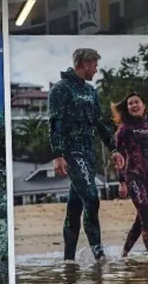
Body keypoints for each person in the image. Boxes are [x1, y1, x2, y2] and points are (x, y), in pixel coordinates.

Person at [48, 48, 123, 262]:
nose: (96, 69)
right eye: (94, 65)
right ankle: (99, 253)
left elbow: (99, 123)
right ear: (85, 63)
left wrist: (114, 149)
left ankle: (68, 261)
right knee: (91, 197)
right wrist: (58, 154)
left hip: (89, 154)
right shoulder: (61, 89)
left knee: (75, 207)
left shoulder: (91, 92)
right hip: (72, 152)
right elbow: (55, 123)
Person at [111, 92, 148, 258]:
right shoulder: (124, 130)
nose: (133, 106)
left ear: (144, 106)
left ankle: (124, 253)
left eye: (137, 102)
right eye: (130, 104)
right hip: (133, 176)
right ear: (127, 108)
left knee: (141, 218)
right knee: (144, 210)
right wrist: (121, 182)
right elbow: (119, 158)